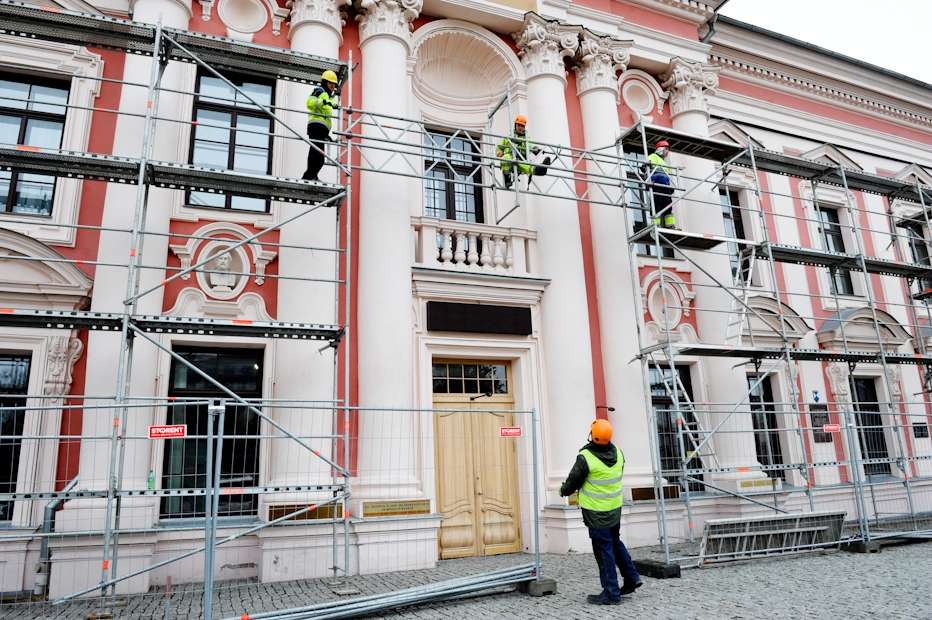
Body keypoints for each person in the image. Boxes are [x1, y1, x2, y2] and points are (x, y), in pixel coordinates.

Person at [559, 419, 642, 606]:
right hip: (614, 508)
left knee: (603, 549)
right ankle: (631, 577)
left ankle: (611, 592)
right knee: (615, 541)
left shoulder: (586, 457)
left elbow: (573, 481)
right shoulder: (618, 453)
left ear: (592, 435)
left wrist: (563, 490)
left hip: (597, 512)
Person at [302, 70, 339, 182]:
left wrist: (326, 134)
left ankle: (312, 175)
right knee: (317, 153)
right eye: (330, 83)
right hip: (316, 126)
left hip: (321, 129)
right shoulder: (319, 90)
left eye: (334, 84)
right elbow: (310, 103)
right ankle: (309, 176)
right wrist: (324, 102)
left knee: (319, 157)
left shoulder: (328, 97)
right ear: (324, 82)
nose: (333, 85)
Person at [495, 115, 551, 189]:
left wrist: (537, 149)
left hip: (521, 160)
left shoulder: (526, 139)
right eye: (518, 125)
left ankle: (541, 169)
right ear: (515, 125)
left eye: (522, 126)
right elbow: (499, 147)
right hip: (510, 160)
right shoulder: (508, 138)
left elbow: (531, 145)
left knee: (528, 166)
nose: (520, 127)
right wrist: (499, 153)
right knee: (506, 157)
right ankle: (507, 179)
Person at [646, 140, 678, 230]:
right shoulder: (653, 156)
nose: (667, 152)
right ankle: (655, 224)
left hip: (664, 186)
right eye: (666, 149)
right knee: (657, 203)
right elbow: (647, 166)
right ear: (661, 149)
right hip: (656, 184)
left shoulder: (663, 162)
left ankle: (670, 225)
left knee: (668, 205)